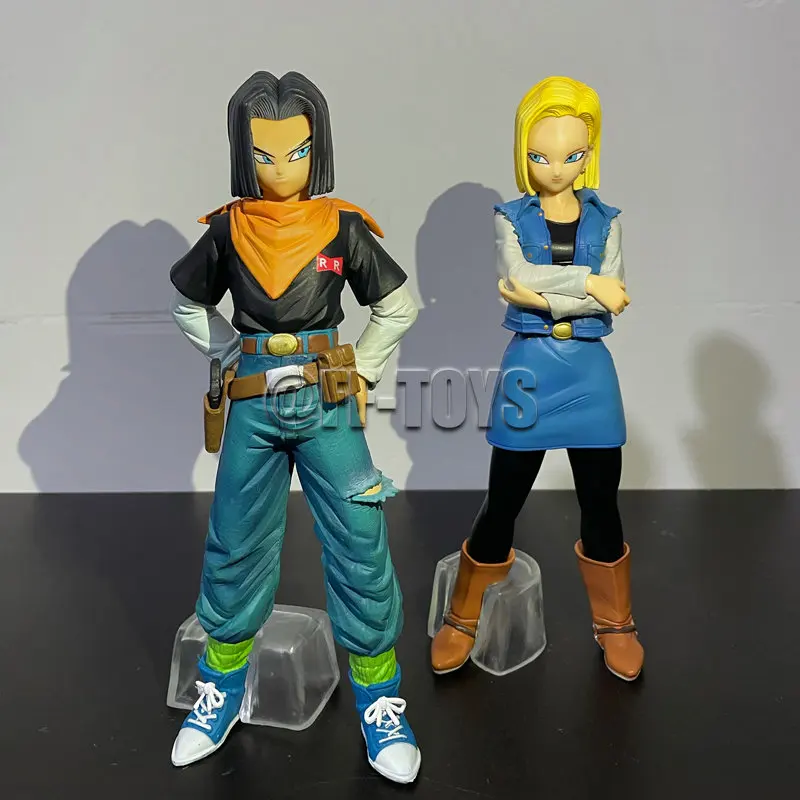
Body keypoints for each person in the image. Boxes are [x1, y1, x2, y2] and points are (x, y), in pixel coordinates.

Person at [167, 70, 421, 784]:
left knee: (359, 538)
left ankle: (379, 698)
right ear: (243, 153)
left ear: (319, 147)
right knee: (236, 539)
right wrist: (230, 354)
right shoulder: (228, 229)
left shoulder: (341, 226)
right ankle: (219, 687)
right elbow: (186, 303)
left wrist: (362, 370)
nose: (281, 169)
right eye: (265, 154)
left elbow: (397, 305)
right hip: (252, 399)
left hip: (325, 393)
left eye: (297, 152)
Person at [430, 76, 644, 683]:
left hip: (590, 369)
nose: (555, 168)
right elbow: (517, 275)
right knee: (504, 498)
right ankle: (464, 611)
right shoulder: (511, 215)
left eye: (571, 155)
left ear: (589, 152)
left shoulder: (608, 219)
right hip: (529, 367)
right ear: (523, 151)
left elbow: (604, 293)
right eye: (540, 155)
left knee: (600, 501)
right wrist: (587, 284)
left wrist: (544, 297)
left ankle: (616, 620)